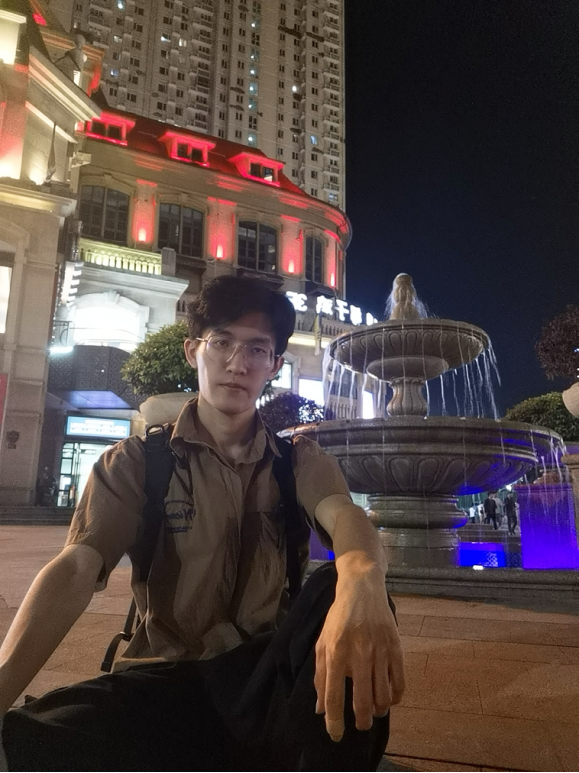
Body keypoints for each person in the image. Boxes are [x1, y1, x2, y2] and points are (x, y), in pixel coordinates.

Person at [0, 276, 405, 772]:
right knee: (27, 735)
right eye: (222, 343)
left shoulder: (297, 461)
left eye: (257, 349)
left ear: (275, 365)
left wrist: (364, 583)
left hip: (266, 680)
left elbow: (345, 515)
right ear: (194, 351)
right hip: (168, 683)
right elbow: (76, 569)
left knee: (339, 589)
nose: (238, 363)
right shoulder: (137, 462)